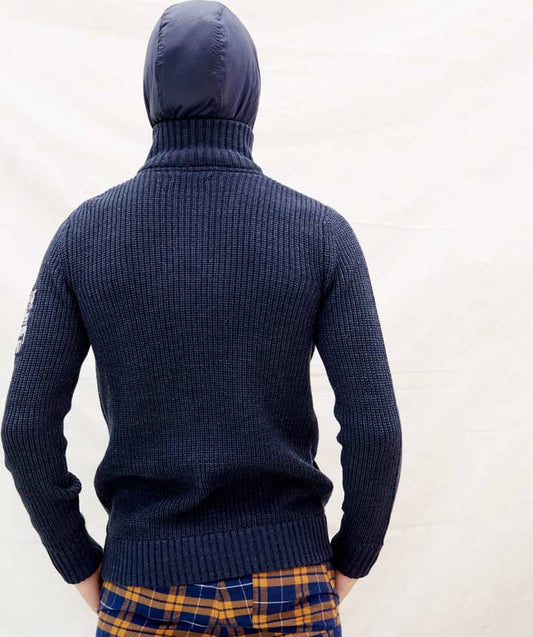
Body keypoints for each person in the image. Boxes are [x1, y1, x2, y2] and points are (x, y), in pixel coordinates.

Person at [0, 1, 403, 635]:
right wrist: (353, 560)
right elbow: (375, 427)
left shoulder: (84, 235)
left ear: (149, 94)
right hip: (290, 578)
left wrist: (80, 566)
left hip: (144, 580)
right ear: (253, 93)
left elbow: (25, 426)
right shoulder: (322, 234)